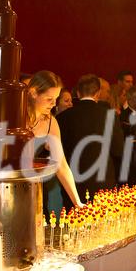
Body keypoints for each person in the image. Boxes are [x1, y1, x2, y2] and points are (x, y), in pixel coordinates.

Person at [57, 74, 124, 209]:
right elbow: (119, 150)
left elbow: (59, 154)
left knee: (74, 225)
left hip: (73, 183)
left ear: (78, 92)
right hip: (103, 181)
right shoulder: (110, 116)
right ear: (98, 93)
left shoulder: (63, 118)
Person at [27, 71, 84, 213]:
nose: (53, 104)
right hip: (10, 189)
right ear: (33, 93)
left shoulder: (51, 122)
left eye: (56, 99)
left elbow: (61, 165)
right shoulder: (16, 115)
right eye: (49, 99)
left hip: (37, 192)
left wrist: (77, 202)